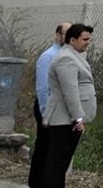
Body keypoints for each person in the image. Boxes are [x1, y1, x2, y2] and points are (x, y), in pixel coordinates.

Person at [42, 23, 95, 188]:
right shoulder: (66, 58)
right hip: (64, 120)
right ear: (72, 40)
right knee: (58, 164)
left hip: (67, 119)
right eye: (84, 39)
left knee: (60, 163)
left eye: (89, 39)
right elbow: (70, 91)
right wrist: (78, 118)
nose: (88, 43)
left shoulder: (73, 56)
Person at [29, 21, 70, 188]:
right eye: (66, 33)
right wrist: (46, 113)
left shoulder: (68, 56)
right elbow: (43, 87)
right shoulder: (49, 56)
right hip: (48, 108)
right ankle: (37, 182)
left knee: (55, 151)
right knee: (44, 147)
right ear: (58, 35)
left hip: (61, 110)